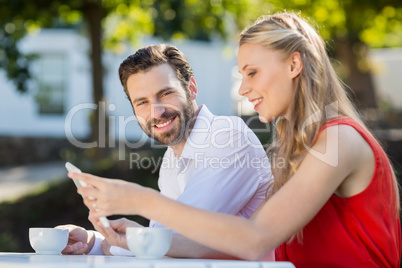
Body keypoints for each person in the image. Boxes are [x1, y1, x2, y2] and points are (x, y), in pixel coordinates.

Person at [69, 12, 401, 267]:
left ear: (294, 64)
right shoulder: (301, 150)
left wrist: (141, 200)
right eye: (242, 75)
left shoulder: (339, 140)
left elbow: (254, 240)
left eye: (252, 72)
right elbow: (218, 243)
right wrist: (119, 239)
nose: (242, 89)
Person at [58, 44, 273, 259]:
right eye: (142, 102)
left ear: (191, 88)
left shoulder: (228, 137)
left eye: (165, 93)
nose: (157, 111)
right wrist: (92, 242)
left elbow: (172, 240)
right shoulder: (172, 159)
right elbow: (163, 241)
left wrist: (108, 244)